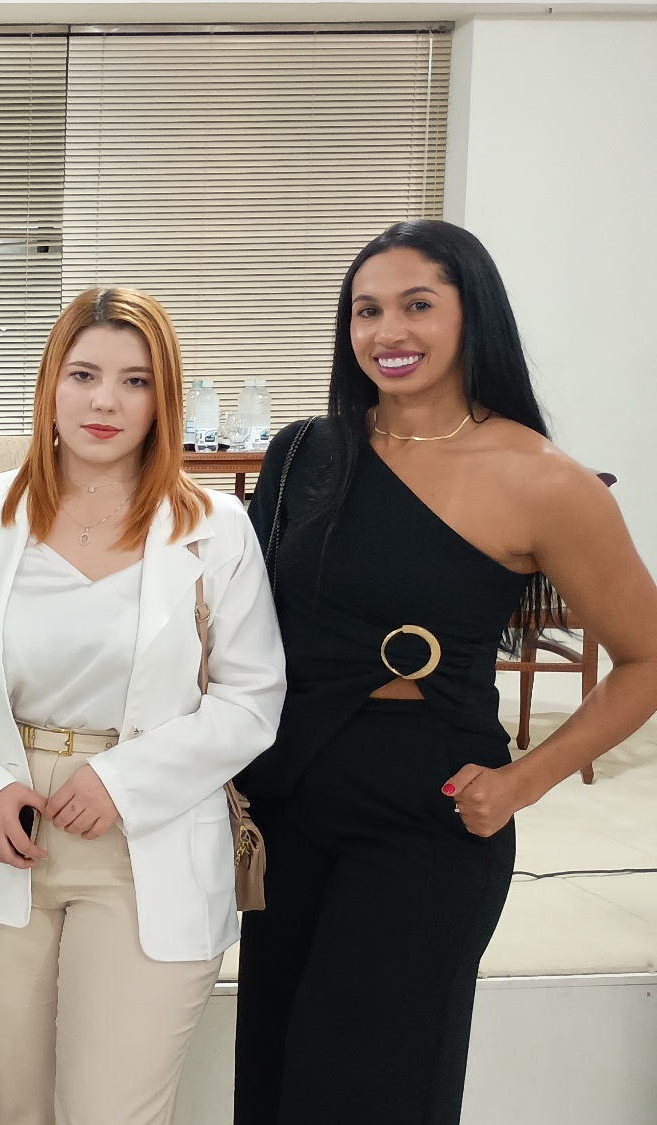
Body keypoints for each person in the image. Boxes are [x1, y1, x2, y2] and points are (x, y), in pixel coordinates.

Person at [233, 220, 657, 1124]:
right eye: (367, 311)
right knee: (274, 1082)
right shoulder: (304, 452)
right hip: (287, 800)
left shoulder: (544, 478)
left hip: (428, 814)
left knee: (367, 1091)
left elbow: (647, 658)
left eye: (418, 305)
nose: (388, 331)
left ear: (473, 315)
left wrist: (524, 781)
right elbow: (246, 630)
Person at [0, 287, 286, 1125]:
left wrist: (122, 781)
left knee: (110, 1112)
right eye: (84, 374)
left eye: (135, 380)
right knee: (24, 1108)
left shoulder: (216, 525)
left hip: (146, 833)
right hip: (7, 831)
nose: (105, 401)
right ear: (51, 384)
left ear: (164, 398)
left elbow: (252, 699)